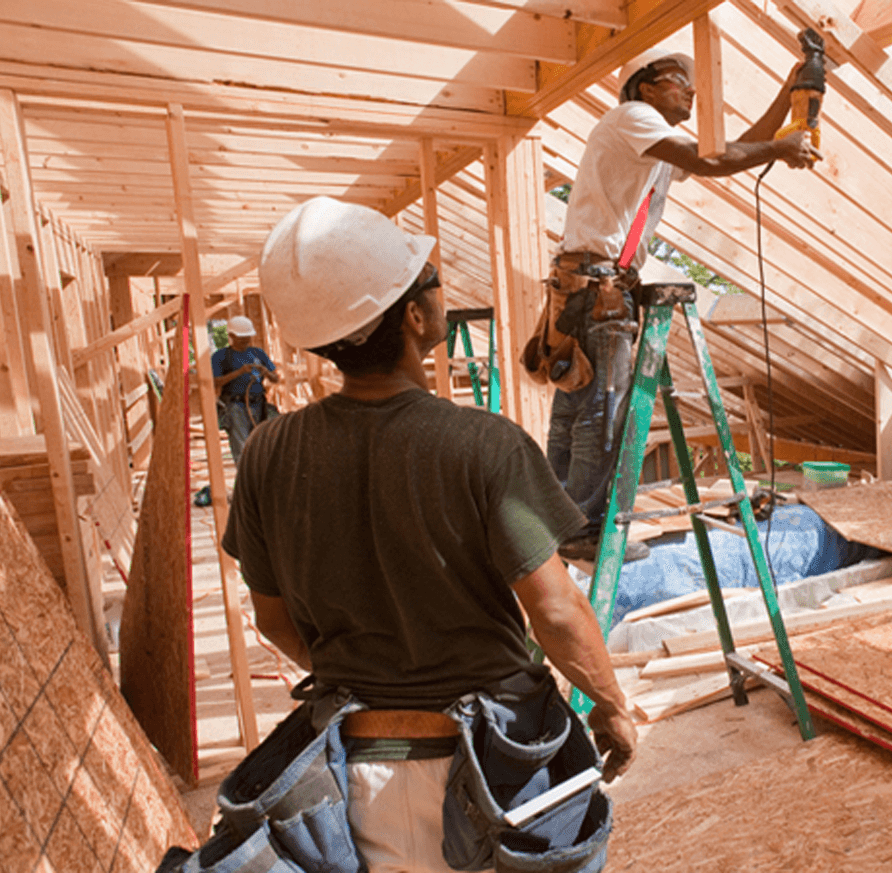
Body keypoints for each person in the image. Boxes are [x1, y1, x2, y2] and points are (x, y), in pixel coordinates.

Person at [223, 196, 636, 873]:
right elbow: (557, 610)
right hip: (491, 773)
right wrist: (613, 705)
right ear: (415, 316)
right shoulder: (483, 445)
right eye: (431, 279)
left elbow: (274, 621)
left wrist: (373, 671)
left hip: (351, 775)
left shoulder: (268, 451)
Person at [524, 47, 821, 562]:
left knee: (576, 407)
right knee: (601, 412)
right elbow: (711, 161)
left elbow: (735, 148)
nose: (692, 90)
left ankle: (554, 524)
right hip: (598, 289)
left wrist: (786, 94)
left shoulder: (652, 145)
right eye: (681, 80)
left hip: (586, 284)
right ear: (645, 86)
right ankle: (582, 529)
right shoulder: (634, 119)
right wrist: (783, 147)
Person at [213, 315, 280, 466]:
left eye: (247, 337)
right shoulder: (221, 356)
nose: (245, 341)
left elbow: (276, 379)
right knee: (242, 448)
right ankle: (247, 484)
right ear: (231, 335)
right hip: (236, 407)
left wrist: (267, 373)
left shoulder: (258, 353)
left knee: (263, 445)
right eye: (241, 337)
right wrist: (239, 372)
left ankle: (262, 481)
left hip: (259, 404)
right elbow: (215, 382)